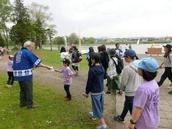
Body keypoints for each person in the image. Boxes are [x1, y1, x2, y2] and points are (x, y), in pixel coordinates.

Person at [13, 41, 52, 108]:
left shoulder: (17, 53)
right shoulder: (27, 52)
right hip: (25, 74)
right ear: (28, 46)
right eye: (32, 46)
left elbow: (21, 63)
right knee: (28, 90)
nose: (33, 48)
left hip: (17, 74)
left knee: (22, 90)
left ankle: (22, 104)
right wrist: (47, 67)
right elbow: (37, 63)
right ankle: (30, 104)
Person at [128, 57, 160, 129]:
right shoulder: (154, 83)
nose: (137, 68)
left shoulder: (143, 89)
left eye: (139, 67)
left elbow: (138, 109)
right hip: (153, 118)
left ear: (143, 72)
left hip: (143, 123)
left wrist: (132, 122)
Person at [114, 49, 141, 122]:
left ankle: (136, 123)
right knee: (127, 104)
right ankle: (122, 117)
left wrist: (121, 89)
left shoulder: (127, 68)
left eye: (125, 57)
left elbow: (123, 82)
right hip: (137, 89)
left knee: (132, 110)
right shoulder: (138, 65)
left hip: (130, 91)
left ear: (129, 57)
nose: (124, 58)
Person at [83, 53, 108, 129]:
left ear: (93, 59)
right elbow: (103, 77)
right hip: (101, 90)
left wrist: (86, 92)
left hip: (95, 91)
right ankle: (94, 114)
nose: (91, 60)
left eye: (91, 58)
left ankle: (103, 125)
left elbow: (89, 82)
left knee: (97, 107)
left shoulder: (92, 70)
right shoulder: (102, 67)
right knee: (98, 104)